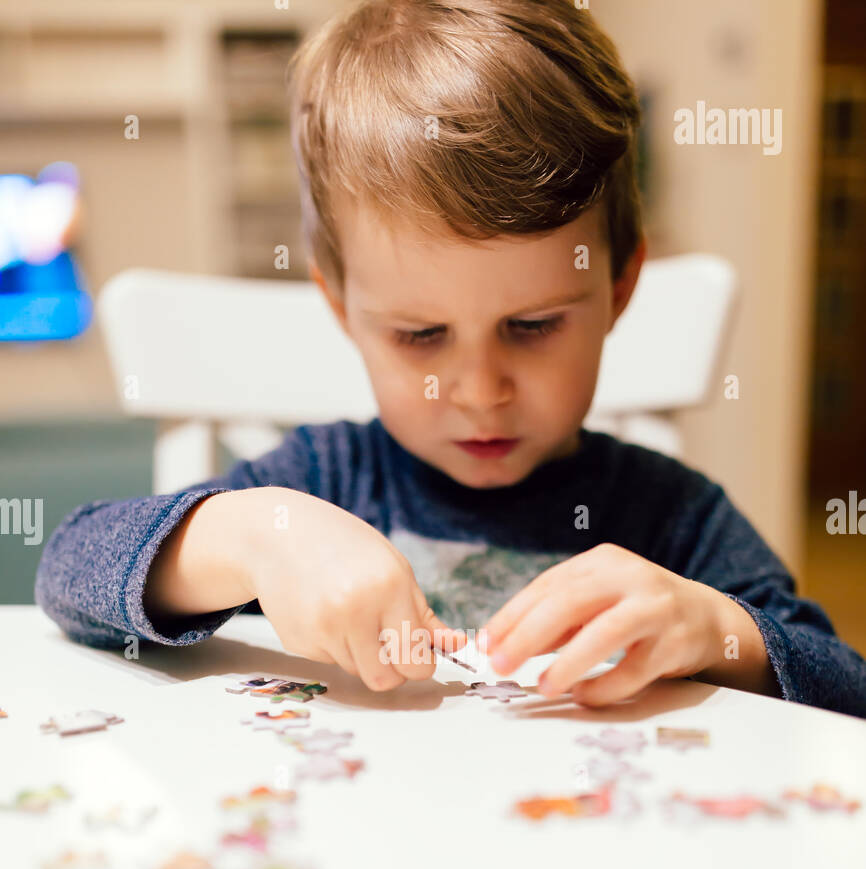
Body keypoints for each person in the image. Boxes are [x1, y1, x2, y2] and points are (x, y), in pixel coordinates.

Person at [35, 0, 866, 716]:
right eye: (420, 336)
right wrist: (247, 537)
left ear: (617, 286)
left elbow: (846, 695)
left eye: (534, 324)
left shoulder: (669, 516)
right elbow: (67, 572)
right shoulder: (325, 481)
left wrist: (714, 628)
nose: (478, 390)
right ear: (341, 308)